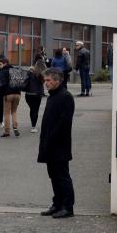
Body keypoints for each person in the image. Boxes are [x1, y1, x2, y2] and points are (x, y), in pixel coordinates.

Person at [37, 68, 75, 219]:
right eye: (45, 80)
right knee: (53, 175)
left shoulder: (65, 97)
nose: (45, 83)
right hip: (49, 143)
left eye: (48, 80)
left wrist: (51, 138)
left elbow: (64, 122)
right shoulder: (52, 96)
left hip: (59, 144)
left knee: (62, 176)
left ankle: (67, 206)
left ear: (57, 80)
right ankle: (57, 203)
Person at [24, 53, 46, 133]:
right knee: (35, 110)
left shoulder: (30, 71)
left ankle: (33, 124)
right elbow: (44, 81)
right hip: (37, 94)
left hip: (28, 94)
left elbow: (25, 80)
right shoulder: (42, 73)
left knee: (32, 109)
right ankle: (33, 126)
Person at [0, 57, 22, 138]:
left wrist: (2, 94)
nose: (0, 66)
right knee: (14, 111)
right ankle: (15, 128)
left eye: (0, 64)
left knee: (6, 113)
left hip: (8, 94)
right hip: (17, 94)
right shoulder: (15, 70)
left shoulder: (4, 72)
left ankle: (6, 131)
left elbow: (2, 84)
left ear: (5, 63)